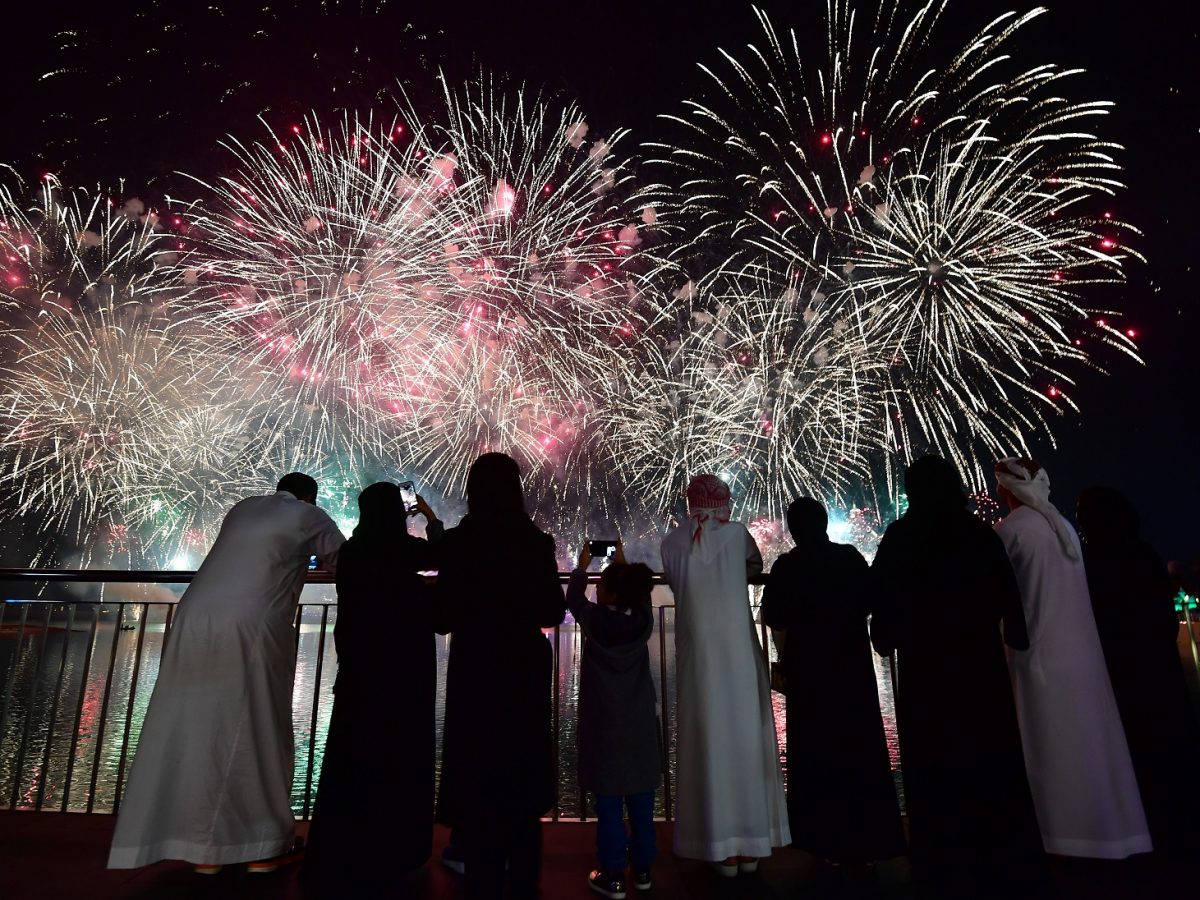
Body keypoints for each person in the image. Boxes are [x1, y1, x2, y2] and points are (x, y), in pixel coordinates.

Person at [108, 473, 345, 872]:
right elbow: (347, 560)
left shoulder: (242, 508)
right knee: (255, 726)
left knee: (195, 725)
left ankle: (199, 847)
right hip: (250, 625)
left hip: (193, 616)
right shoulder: (309, 514)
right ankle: (260, 843)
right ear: (309, 495)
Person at [869, 456, 1044, 889]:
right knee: (990, 751)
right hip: (979, 664)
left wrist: (884, 637)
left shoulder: (900, 536)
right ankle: (998, 847)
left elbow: (883, 598)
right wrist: (1016, 637)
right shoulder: (979, 533)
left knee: (932, 759)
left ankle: (937, 853)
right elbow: (1007, 592)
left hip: (925, 667)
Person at [993, 459, 1151, 859]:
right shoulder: (1064, 526)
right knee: (1093, 743)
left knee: (1049, 746)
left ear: (1007, 489)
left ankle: (1060, 836)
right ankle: (1114, 834)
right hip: (1083, 653)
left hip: (1038, 656)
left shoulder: (1010, 530)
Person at [435, 453, 566, 900]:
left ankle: (481, 875)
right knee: (521, 767)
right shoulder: (535, 541)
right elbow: (552, 610)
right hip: (523, 666)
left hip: (475, 664)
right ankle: (524, 878)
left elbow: (442, 616)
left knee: (477, 767)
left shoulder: (458, 543)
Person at [301, 482, 444, 891]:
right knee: (400, 753)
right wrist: (429, 518)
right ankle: (397, 847)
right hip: (405, 673)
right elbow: (443, 552)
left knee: (354, 751)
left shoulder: (352, 552)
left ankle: (344, 846)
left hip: (360, 670)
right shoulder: (406, 550)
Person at [761, 497, 904, 868]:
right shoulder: (850, 558)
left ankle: (822, 841)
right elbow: (871, 599)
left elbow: (773, 613)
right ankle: (868, 840)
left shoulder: (788, 566)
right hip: (852, 672)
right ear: (824, 523)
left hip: (810, 676)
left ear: (793, 530)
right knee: (860, 751)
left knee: (816, 757)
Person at [659, 474, 789, 876]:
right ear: (723, 503)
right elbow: (754, 565)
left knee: (707, 742)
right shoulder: (737, 535)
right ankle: (750, 847)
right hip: (738, 652)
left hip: (698, 657)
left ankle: (717, 847)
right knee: (745, 739)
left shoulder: (672, 542)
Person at [1077, 486, 1200, 852]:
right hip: (1158, 671)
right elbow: (1162, 617)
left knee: (1137, 753)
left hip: (1122, 673)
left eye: (1083, 511)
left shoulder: (1091, 561)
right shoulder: (1145, 554)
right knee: (1170, 749)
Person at [566, 542, 661, 899]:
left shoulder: (594, 621)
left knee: (607, 801)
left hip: (603, 723)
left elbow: (574, 598)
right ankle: (644, 870)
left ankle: (612, 874)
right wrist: (620, 561)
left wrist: (580, 566)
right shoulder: (642, 620)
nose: (596, 588)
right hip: (638, 722)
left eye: (601, 585)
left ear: (609, 593)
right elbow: (641, 598)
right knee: (641, 799)